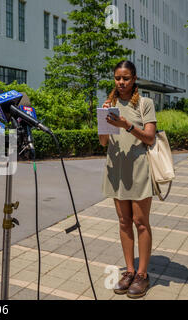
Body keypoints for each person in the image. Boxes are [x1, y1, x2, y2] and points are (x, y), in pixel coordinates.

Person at [99, 60, 157, 298]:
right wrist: (104, 120)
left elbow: (150, 138)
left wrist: (127, 125)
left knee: (140, 222)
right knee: (124, 222)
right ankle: (129, 271)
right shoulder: (110, 104)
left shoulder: (145, 103)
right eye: (117, 78)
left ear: (134, 79)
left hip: (138, 169)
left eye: (125, 78)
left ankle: (142, 274)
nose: (120, 82)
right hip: (116, 169)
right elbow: (103, 142)